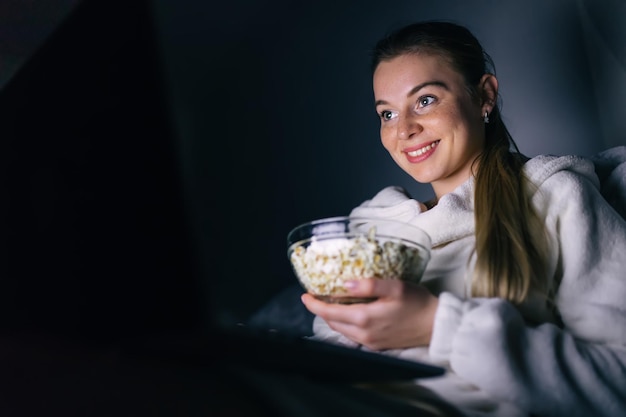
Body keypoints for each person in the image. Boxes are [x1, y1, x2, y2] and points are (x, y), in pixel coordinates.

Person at [300, 20, 626, 417]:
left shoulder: (557, 199)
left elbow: (618, 381)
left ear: (484, 95)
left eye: (424, 101)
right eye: (386, 114)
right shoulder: (373, 231)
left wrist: (438, 326)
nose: (404, 130)